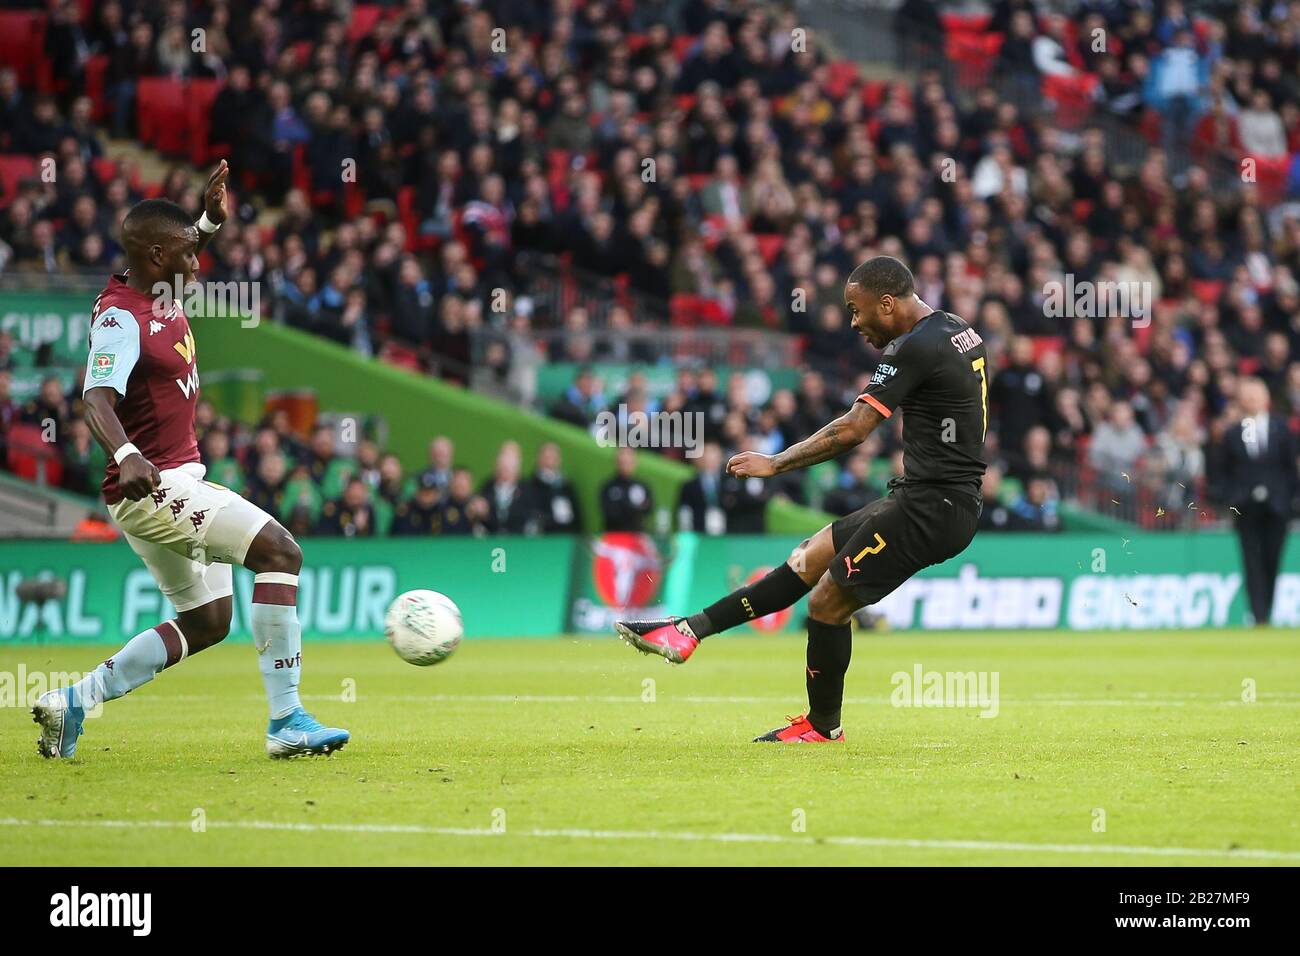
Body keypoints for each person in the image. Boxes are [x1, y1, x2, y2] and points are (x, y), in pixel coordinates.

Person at [32, 162, 349, 761]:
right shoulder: (120, 319)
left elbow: (181, 249)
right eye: (186, 253)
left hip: (164, 484)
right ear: (155, 255)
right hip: (152, 486)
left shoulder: (157, 282)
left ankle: (74, 702)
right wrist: (125, 452)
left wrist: (205, 221)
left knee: (207, 622)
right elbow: (95, 395)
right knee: (281, 553)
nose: (197, 262)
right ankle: (286, 720)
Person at [616, 257, 987, 743]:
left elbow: (853, 430)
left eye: (856, 311)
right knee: (809, 557)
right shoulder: (958, 330)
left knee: (827, 603)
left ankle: (822, 726)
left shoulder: (913, 348)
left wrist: (776, 462)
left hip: (934, 506)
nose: (854, 323)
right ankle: (686, 631)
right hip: (929, 496)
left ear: (888, 303)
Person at [1212, 378, 1297, 626]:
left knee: (1272, 559)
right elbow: (1223, 471)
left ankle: (1267, 610)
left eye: (1256, 395)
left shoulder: (1282, 430)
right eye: (1247, 395)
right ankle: (1258, 615)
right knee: (1251, 561)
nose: (1251, 399)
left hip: (1277, 506)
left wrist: (1291, 500)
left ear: (1266, 398)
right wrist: (1232, 497)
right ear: (1240, 400)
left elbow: (1290, 469)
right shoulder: (1231, 434)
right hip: (1246, 507)